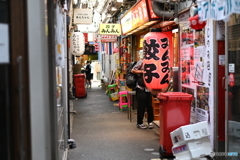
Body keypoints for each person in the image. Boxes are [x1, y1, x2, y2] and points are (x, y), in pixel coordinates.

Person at [131, 59, 154, 129]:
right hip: (140, 88)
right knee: (141, 106)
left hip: (149, 88)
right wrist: (142, 71)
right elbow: (133, 70)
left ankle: (150, 122)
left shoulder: (154, 62)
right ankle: (139, 123)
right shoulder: (142, 62)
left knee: (150, 106)